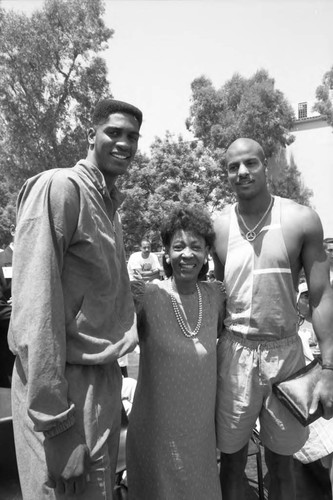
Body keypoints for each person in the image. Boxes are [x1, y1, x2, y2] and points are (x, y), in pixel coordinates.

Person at [8, 98, 142, 499]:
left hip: (100, 382)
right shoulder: (60, 187)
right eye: (113, 133)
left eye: (132, 137)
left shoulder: (110, 205)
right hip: (61, 388)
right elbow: (36, 307)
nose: (124, 144)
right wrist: (57, 425)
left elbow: (104, 292)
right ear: (90, 135)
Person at [213, 137, 333, 500]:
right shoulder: (218, 228)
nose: (242, 172)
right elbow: (218, 298)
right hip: (234, 356)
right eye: (233, 167)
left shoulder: (300, 219)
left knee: (283, 464)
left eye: (250, 163)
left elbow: (322, 296)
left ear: (266, 166)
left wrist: (328, 370)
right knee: (231, 462)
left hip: (287, 357)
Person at [126, 204, 225, 500]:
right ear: (166, 253)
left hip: (200, 438)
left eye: (196, 246)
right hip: (156, 436)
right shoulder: (146, 297)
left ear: (207, 251)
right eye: (178, 246)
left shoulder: (217, 296)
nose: (187, 254)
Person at [0, 224, 15, 387]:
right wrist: (22, 311)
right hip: (6, 346)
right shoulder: (1, 261)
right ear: (13, 230)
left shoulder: (37, 263)